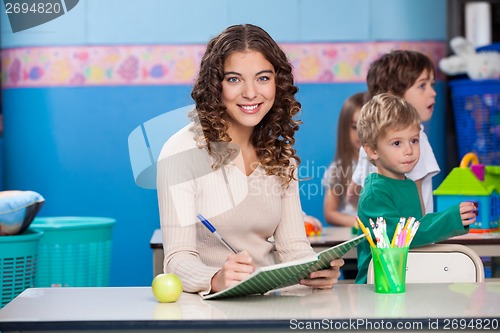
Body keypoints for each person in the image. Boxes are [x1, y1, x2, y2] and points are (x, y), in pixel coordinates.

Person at [156, 24, 344, 295]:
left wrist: (313, 269)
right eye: (234, 79)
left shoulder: (281, 156)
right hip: (206, 310)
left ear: (277, 83)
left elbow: (293, 248)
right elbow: (177, 260)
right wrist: (216, 278)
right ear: (215, 85)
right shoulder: (180, 152)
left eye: (263, 78)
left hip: (268, 306)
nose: (251, 93)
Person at [354, 93, 477, 283]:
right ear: (372, 150)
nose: (409, 150)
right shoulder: (374, 193)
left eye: (414, 140)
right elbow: (403, 235)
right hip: (377, 287)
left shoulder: (409, 185)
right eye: (397, 143)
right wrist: (451, 218)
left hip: (407, 280)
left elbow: (415, 233)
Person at [347, 50, 440, 216]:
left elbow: (352, 195)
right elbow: (417, 209)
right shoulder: (416, 140)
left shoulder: (371, 140)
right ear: (392, 96)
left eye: (432, 84)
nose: (433, 92)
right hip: (412, 238)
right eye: (422, 85)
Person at [322, 92, 367, 227]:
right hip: (352, 237)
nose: (360, 133)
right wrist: (360, 224)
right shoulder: (338, 168)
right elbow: (330, 213)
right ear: (345, 128)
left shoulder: (385, 164)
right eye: (354, 127)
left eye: (365, 126)